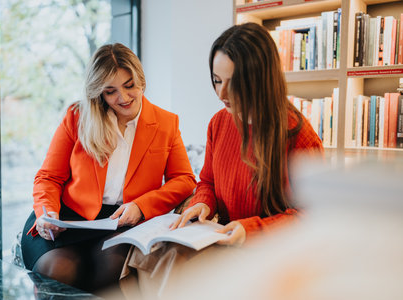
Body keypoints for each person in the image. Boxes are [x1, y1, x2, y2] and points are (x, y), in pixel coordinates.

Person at [120, 22, 324, 299]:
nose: (221, 94)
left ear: (259, 81)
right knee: (149, 254)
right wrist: (202, 202)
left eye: (234, 83)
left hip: (268, 255)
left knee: (179, 271)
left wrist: (248, 230)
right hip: (222, 239)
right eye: (217, 80)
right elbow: (208, 181)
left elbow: (308, 218)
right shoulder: (219, 123)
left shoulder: (299, 138)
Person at [20, 43, 196, 294]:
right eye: (110, 91)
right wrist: (48, 214)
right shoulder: (77, 117)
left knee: (111, 268)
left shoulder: (166, 123)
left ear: (141, 80)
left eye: (129, 85)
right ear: (99, 92)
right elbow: (48, 177)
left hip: (119, 222)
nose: (123, 98)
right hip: (67, 218)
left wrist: (141, 206)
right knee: (57, 270)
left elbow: (184, 179)